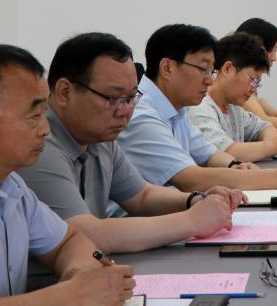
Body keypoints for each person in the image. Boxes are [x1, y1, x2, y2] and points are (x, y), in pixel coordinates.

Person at [20, 32, 244, 253]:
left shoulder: (99, 137)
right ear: (65, 92)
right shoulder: (39, 144)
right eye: (113, 98)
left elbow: (141, 196)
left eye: (130, 98)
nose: (126, 111)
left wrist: (195, 200)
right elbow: (84, 234)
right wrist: (192, 221)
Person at [0, 44, 134, 304]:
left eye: (44, 113)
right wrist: (73, 294)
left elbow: (69, 241)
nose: (45, 129)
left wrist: (80, 273)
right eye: (33, 116)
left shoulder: (12, 187)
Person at [117, 24, 277, 192]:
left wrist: (236, 166)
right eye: (203, 69)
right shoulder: (141, 114)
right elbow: (190, 178)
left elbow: (208, 154)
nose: (209, 80)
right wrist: (276, 178)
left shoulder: (177, 108)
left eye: (211, 71)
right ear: (167, 68)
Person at [190, 32, 277, 162]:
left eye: (257, 83)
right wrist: (275, 146)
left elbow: (265, 127)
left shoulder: (233, 106)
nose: (253, 89)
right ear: (227, 69)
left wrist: (273, 143)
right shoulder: (199, 107)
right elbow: (225, 153)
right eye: (252, 80)